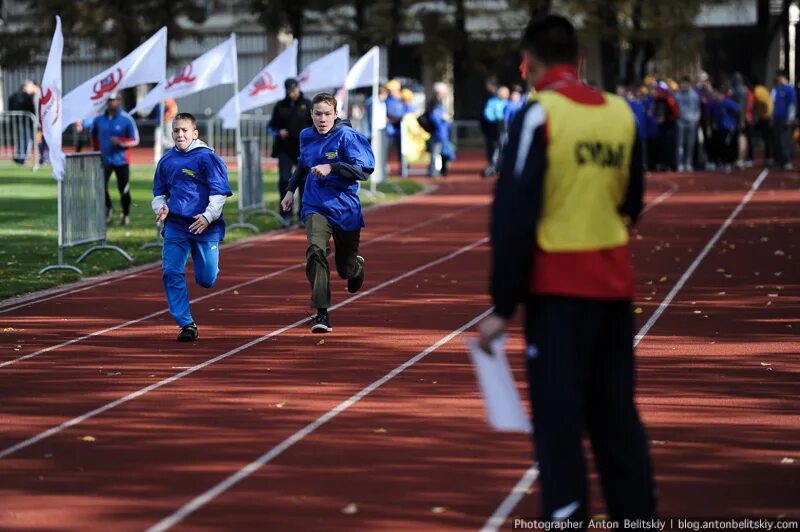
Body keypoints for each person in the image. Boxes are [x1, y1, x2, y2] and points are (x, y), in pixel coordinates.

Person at [477, 14, 656, 523]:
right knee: (617, 420)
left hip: (558, 295)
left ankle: (566, 517)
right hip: (615, 291)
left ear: (527, 64)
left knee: (559, 428)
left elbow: (513, 214)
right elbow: (634, 201)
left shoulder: (538, 114)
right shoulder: (622, 113)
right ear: (579, 60)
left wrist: (502, 305)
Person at [280, 93, 374, 333]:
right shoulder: (306, 135)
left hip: (344, 208)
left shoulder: (347, 136)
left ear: (335, 114)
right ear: (311, 114)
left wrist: (332, 167)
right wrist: (290, 190)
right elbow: (302, 165)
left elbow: (365, 170)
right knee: (315, 250)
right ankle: (322, 313)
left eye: (327, 114)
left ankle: (356, 267)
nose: (322, 119)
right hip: (314, 205)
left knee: (345, 269)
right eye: (317, 114)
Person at [152, 112, 232, 342]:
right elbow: (159, 193)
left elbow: (219, 193)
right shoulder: (166, 161)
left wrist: (208, 217)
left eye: (184, 130)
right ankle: (186, 323)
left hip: (205, 226)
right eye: (176, 130)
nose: (180, 134)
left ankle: (209, 266)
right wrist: (161, 208)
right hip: (176, 224)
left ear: (194, 133)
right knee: (171, 271)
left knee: (207, 279)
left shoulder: (207, 158)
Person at [268, 78, 313, 226]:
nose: (292, 94)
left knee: (304, 182)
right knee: (284, 180)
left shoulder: (308, 105)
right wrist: (278, 132)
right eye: (289, 91)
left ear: (298, 88)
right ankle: (285, 214)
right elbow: (271, 127)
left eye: (293, 91)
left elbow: (316, 125)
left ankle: (303, 214)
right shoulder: (280, 106)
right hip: (285, 149)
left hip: (304, 150)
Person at [91, 90, 140, 226]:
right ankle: (108, 207)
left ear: (119, 101)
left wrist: (121, 142)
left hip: (121, 160)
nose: (110, 102)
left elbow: (135, 140)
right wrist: (95, 152)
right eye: (108, 100)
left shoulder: (126, 119)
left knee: (123, 188)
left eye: (113, 100)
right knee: (100, 185)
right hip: (104, 159)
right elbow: (94, 137)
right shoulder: (99, 120)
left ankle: (126, 213)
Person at [425, 82, 455, 177]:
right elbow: (434, 118)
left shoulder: (438, 102)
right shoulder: (435, 103)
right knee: (436, 152)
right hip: (438, 132)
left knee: (444, 152)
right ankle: (434, 171)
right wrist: (443, 118)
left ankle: (440, 170)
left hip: (442, 132)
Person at [6, 80, 36, 165]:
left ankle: (19, 156)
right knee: (26, 140)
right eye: (31, 87)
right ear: (26, 87)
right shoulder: (27, 97)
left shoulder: (12, 96)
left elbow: (10, 108)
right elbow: (31, 109)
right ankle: (22, 158)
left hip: (16, 122)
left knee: (20, 139)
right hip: (26, 122)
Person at [771, 70, 797, 170]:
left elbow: (792, 105)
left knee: (784, 140)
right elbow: (773, 104)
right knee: (777, 140)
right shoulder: (777, 89)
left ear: (784, 77)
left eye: (779, 77)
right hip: (776, 118)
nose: (778, 79)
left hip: (785, 118)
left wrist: (790, 118)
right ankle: (779, 161)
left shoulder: (790, 89)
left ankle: (787, 161)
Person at [674, 76, 700, 172]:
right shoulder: (677, 95)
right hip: (681, 122)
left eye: (685, 83)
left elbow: (697, 109)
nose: (683, 85)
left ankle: (688, 163)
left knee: (690, 144)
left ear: (689, 84)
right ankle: (679, 163)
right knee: (680, 144)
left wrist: (695, 119)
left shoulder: (694, 95)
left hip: (691, 122)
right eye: (682, 83)